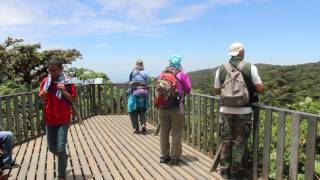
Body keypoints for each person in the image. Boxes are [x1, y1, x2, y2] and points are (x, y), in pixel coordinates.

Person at [214, 42, 264, 179]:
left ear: (231, 53)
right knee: (239, 142)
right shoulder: (250, 67)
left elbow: (216, 90)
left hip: (225, 110)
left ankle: (224, 171)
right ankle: (235, 172)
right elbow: (260, 88)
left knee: (226, 140)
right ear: (241, 52)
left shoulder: (221, 68)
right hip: (244, 110)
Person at [38, 57, 76, 180]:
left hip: (63, 119)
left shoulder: (68, 82)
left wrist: (64, 91)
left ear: (61, 69)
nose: (52, 73)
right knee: (51, 148)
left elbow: (74, 99)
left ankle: (61, 175)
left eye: (54, 70)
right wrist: (42, 96)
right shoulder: (45, 82)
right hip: (49, 118)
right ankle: (63, 158)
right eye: (50, 70)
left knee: (60, 148)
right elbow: (43, 98)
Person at [157, 55, 191, 165]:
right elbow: (188, 89)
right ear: (179, 64)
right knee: (176, 132)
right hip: (177, 107)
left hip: (162, 107)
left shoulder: (161, 75)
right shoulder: (181, 74)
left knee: (164, 132)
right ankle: (175, 157)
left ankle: (164, 155)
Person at [127, 59, 149, 134]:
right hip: (144, 96)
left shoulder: (132, 73)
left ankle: (136, 129)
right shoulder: (145, 73)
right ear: (142, 65)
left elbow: (130, 82)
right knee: (143, 111)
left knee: (132, 111)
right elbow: (147, 83)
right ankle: (143, 125)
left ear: (136, 65)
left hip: (134, 95)